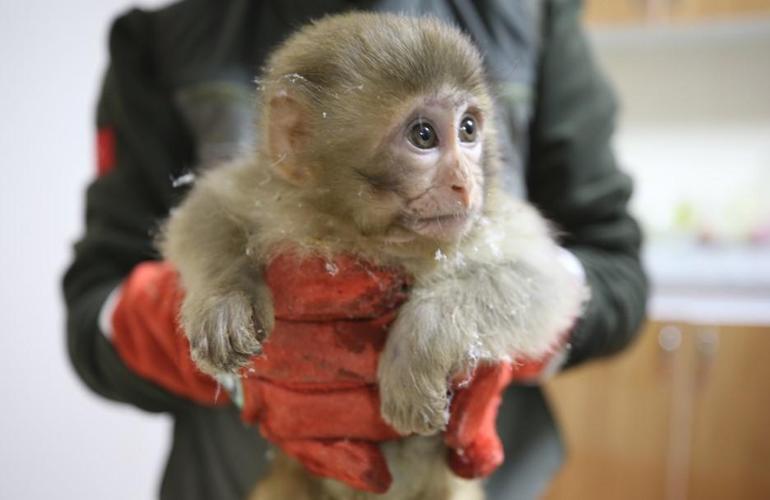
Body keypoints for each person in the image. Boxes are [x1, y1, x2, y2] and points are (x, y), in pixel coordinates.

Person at [63, 1, 648, 499]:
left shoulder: (527, 13)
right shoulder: (168, 39)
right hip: (240, 477)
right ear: (294, 140)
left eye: (470, 129)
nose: (466, 186)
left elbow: (615, 273)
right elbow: (94, 315)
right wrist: (203, 321)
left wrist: (480, 328)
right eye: (424, 135)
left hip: (475, 473)